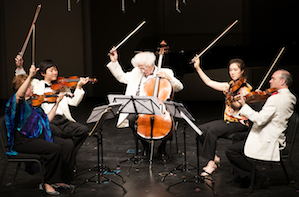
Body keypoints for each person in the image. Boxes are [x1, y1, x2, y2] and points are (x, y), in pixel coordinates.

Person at [5, 65, 76, 195]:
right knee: (54, 149)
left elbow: (47, 120)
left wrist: (57, 103)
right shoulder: (16, 104)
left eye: (31, 86)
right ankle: (47, 182)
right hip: (23, 140)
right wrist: (30, 75)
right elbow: (19, 95)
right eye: (29, 86)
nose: (31, 88)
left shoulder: (34, 104)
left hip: (38, 136)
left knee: (68, 144)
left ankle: (60, 179)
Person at [107, 47, 184, 162]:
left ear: (151, 63)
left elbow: (179, 87)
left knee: (168, 121)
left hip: (160, 107)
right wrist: (114, 62)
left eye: (144, 68)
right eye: (140, 68)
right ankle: (145, 147)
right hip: (141, 108)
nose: (142, 71)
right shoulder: (136, 72)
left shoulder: (166, 72)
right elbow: (122, 77)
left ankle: (162, 149)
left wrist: (169, 79)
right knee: (132, 119)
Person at [225, 69, 296, 188]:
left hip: (269, 139)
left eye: (273, 78)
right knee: (237, 137)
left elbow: (259, 119)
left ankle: (257, 176)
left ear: (282, 81)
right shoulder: (289, 97)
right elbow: (271, 112)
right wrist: (257, 99)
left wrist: (244, 105)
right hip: (275, 133)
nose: (270, 81)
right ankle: (245, 176)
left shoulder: (275, 99)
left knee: (231, 151)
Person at [14, 55, 89, 156]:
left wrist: (79, 87)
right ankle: (62, 154)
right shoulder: (36, 84)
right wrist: (19, 67)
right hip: (48, 120)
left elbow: (74, 102)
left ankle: (69, 155)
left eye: (56, 70)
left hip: (62, 120)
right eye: (51, 70)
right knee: (57, 133)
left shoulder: (62, 87)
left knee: (83, 130)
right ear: (43, 73)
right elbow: (22, 81)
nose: (55, 72)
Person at [192, 56, 252, 175]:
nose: (232, 72)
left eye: (235, 70)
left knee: (212, 131)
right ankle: (214, 157)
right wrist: (198, 68)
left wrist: (230, 97)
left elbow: (236, 106)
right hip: (228, 121)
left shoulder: (245, 89)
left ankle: (211, 164)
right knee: (200, 130)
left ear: (242, 71)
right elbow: (209, 82)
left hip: (240, 123)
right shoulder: (229, 86)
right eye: (230, 70)